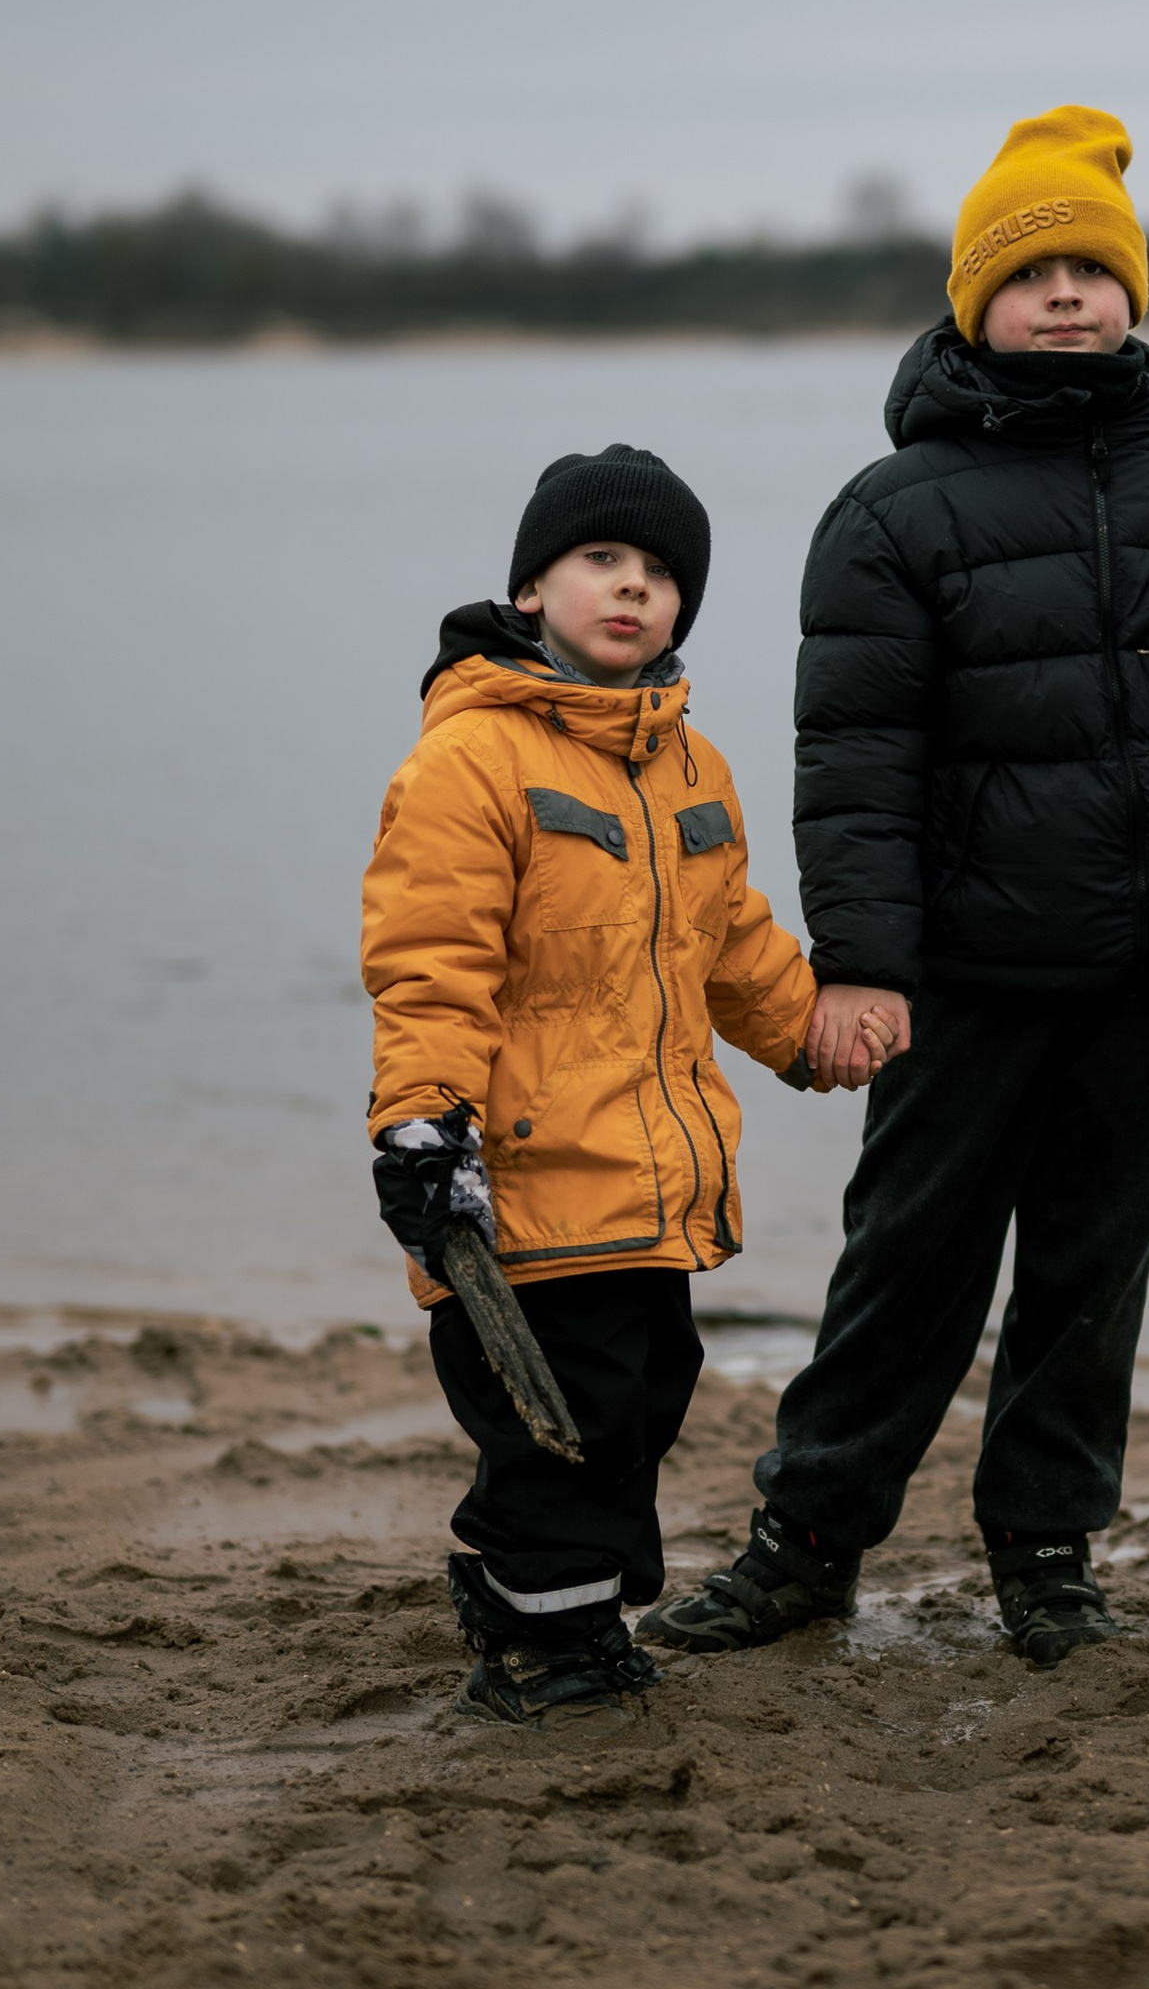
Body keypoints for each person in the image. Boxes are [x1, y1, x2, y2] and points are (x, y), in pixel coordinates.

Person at [640, 106, 1149, 1669]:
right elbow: (854, 763)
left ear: (1130, 294)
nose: (1064, 295)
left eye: (1091, 271)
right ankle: (809, 1539)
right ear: (974, 299)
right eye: (1030, 273)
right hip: (966, 974)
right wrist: (863, 962)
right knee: (909, 1264)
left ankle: (1047, 1552)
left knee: (1090, 1276)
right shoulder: (891, 513)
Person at [361, 441, 858, 1726]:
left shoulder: (689, 764)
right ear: (532, 586)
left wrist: (816, 1033)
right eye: (600, 559)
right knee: (557, 1428)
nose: (632, 586)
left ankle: (562, 1615)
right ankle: (544, 1646)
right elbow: (430, 963)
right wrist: (422, 1128)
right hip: (526, 1187)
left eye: (660, 572)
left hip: (649, 1185)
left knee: (642, 1405)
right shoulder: (472, 758)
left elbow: (730, 941)